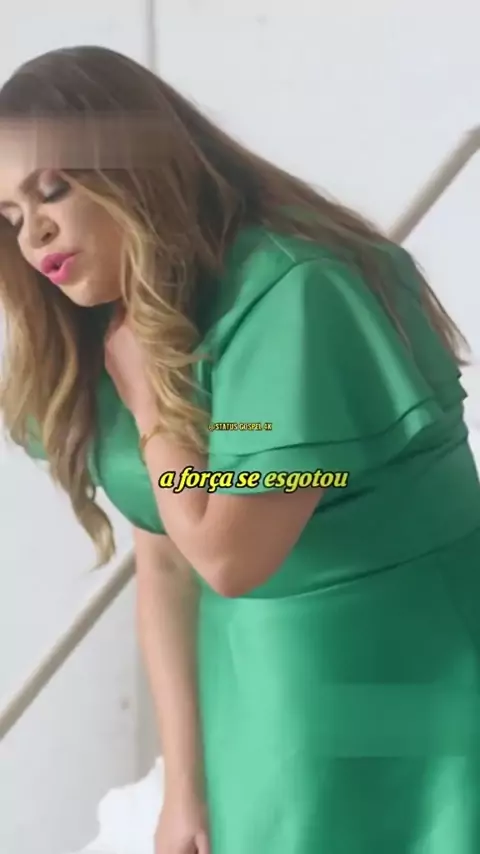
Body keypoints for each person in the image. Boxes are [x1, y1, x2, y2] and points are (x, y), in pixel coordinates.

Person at [0, 44, 480, 854]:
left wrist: (155, 404)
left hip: (406, 684)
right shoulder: (116, 319)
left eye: (53, 190)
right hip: (257, 695)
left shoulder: (295, 292)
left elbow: (227, 553)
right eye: (11, 216)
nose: (33, 232)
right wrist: (185, 790)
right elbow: (165, 562)